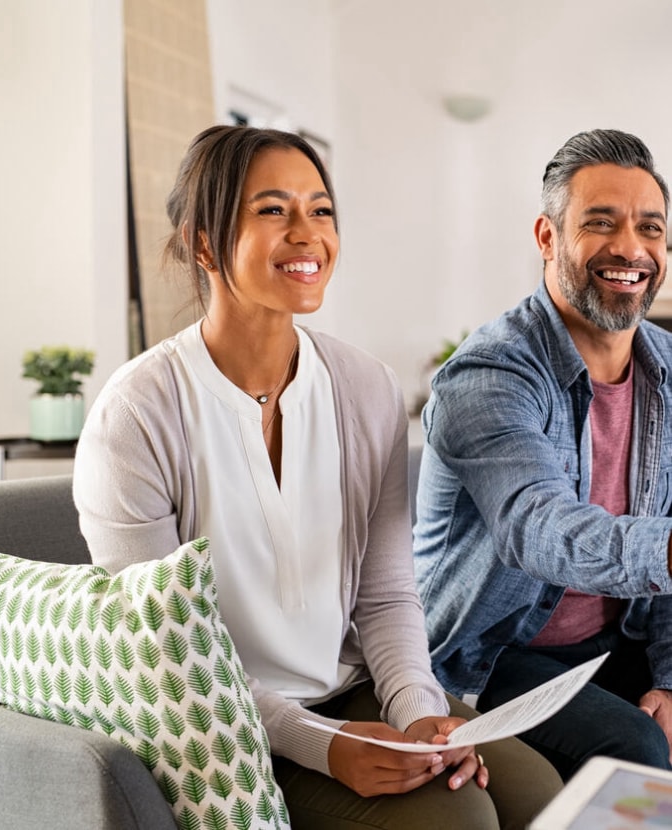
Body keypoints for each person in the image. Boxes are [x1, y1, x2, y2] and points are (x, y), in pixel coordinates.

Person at [73, 125, 561, 829]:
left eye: (321, 210)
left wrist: (421, 714)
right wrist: (322, 747)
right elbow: (166, 653)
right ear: (205, 244)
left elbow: (389, 595)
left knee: (539, 793)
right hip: (223, 726)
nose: (308, 234)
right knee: (458, 821)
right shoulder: (137, 414)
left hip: (350, 688)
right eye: (273, 210)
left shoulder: (365, 387)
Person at [414, 127, 672, 783]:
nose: (630, 249)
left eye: (650, 228)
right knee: (636, 750)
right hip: (497, 652)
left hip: (620, 637)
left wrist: (671, 676)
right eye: (600, 223)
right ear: (547, 237)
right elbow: (538, 527)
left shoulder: (667, 372)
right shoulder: (488, 376)